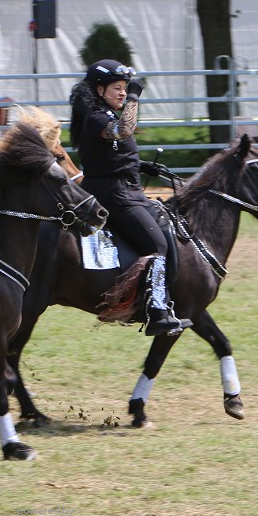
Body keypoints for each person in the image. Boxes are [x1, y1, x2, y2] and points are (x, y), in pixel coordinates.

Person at [69, 59, 192, 337]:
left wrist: (140, 165)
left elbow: (111, 155)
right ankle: (157, 311)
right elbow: (123, 131)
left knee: (163, 229)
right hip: (115, 196)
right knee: (156, 243)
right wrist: (135, 97)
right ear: (99, 90)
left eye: (125, 88)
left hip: (126, 190)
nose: (123, 93)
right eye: (117, 88)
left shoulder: (105, 114)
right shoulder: (97, 116)